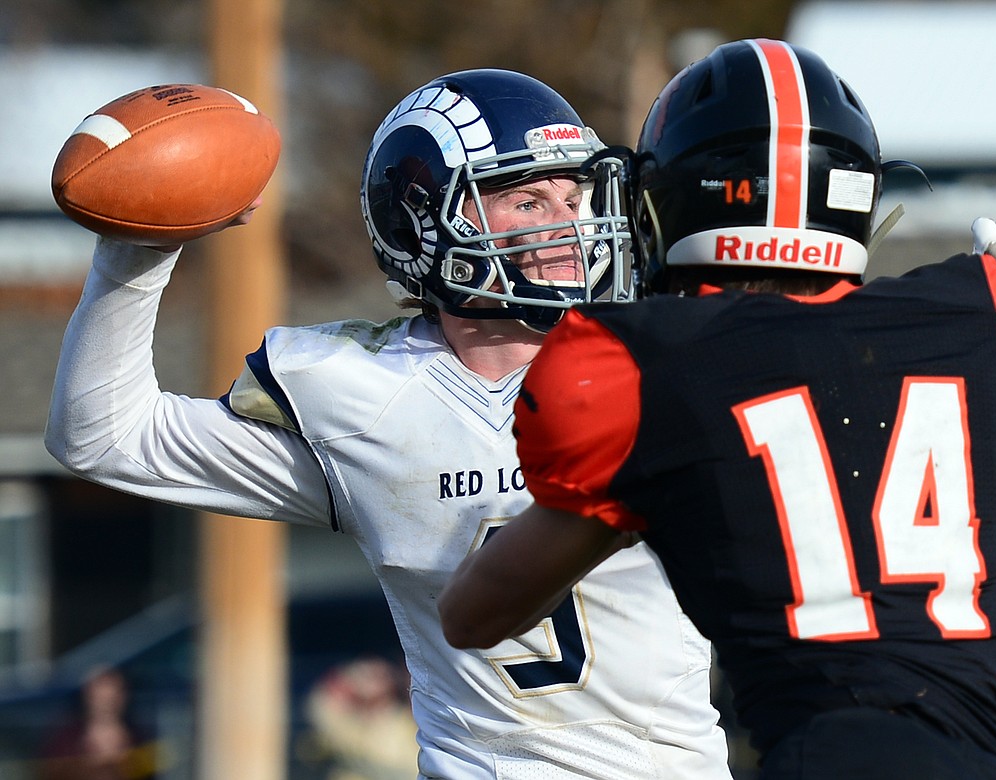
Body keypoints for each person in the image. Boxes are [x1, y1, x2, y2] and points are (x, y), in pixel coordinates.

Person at [437, 39, 996, 779]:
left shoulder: (645, 368)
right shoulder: (985, 326)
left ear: (670, 198)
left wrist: (638, 501)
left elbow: (473, 616)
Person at [44, 69, 732, 779]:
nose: (569, 223)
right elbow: (101, 436)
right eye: (527, 199)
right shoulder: (355, 391)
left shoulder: (662, 365)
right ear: (424, 222)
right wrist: (143, 242)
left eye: (575, 195)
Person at [37, 665, 161, 780]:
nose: (107, 704)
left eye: (112, 697)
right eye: (101, 697)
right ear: (88, 696)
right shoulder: (65, 740)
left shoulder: (139, 740)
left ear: (123, 696)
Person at [304, 656, 418, 780]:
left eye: (379, 675)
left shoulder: (404, 721)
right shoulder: (345, 726)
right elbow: (322, 709)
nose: (376, 679)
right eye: (369, 675)